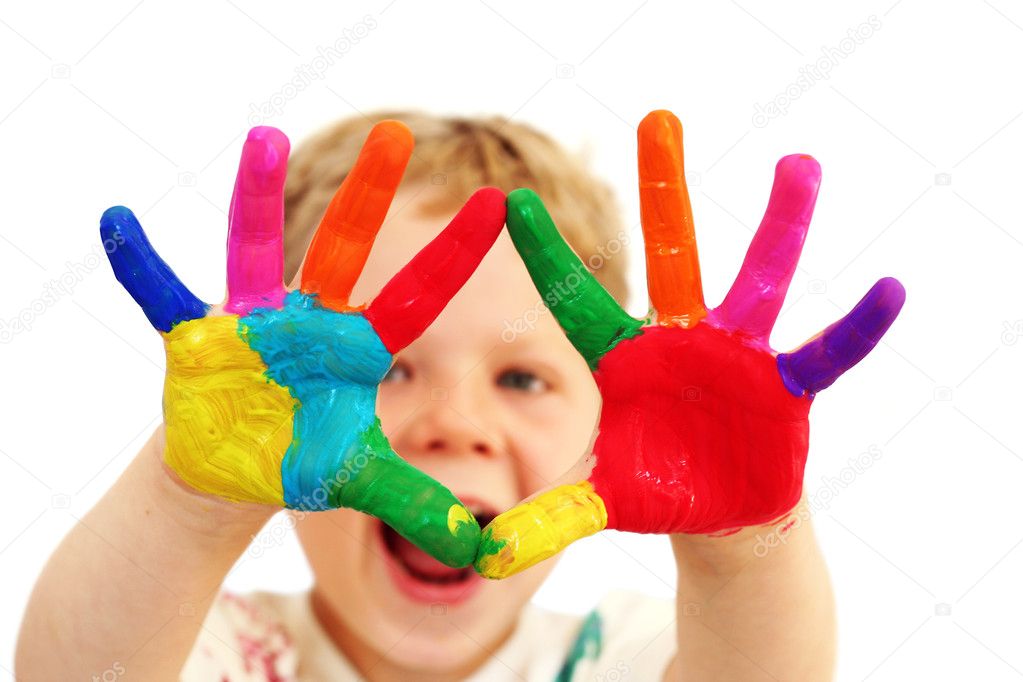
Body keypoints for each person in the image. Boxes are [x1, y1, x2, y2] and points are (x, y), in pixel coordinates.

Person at [16, 110, 842, 681]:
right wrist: (192, 502)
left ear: (603, 425)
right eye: (385, 370)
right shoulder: (222, 649)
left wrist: (738, 540)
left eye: (522, 378)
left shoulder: (616, 655)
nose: (455, 424)